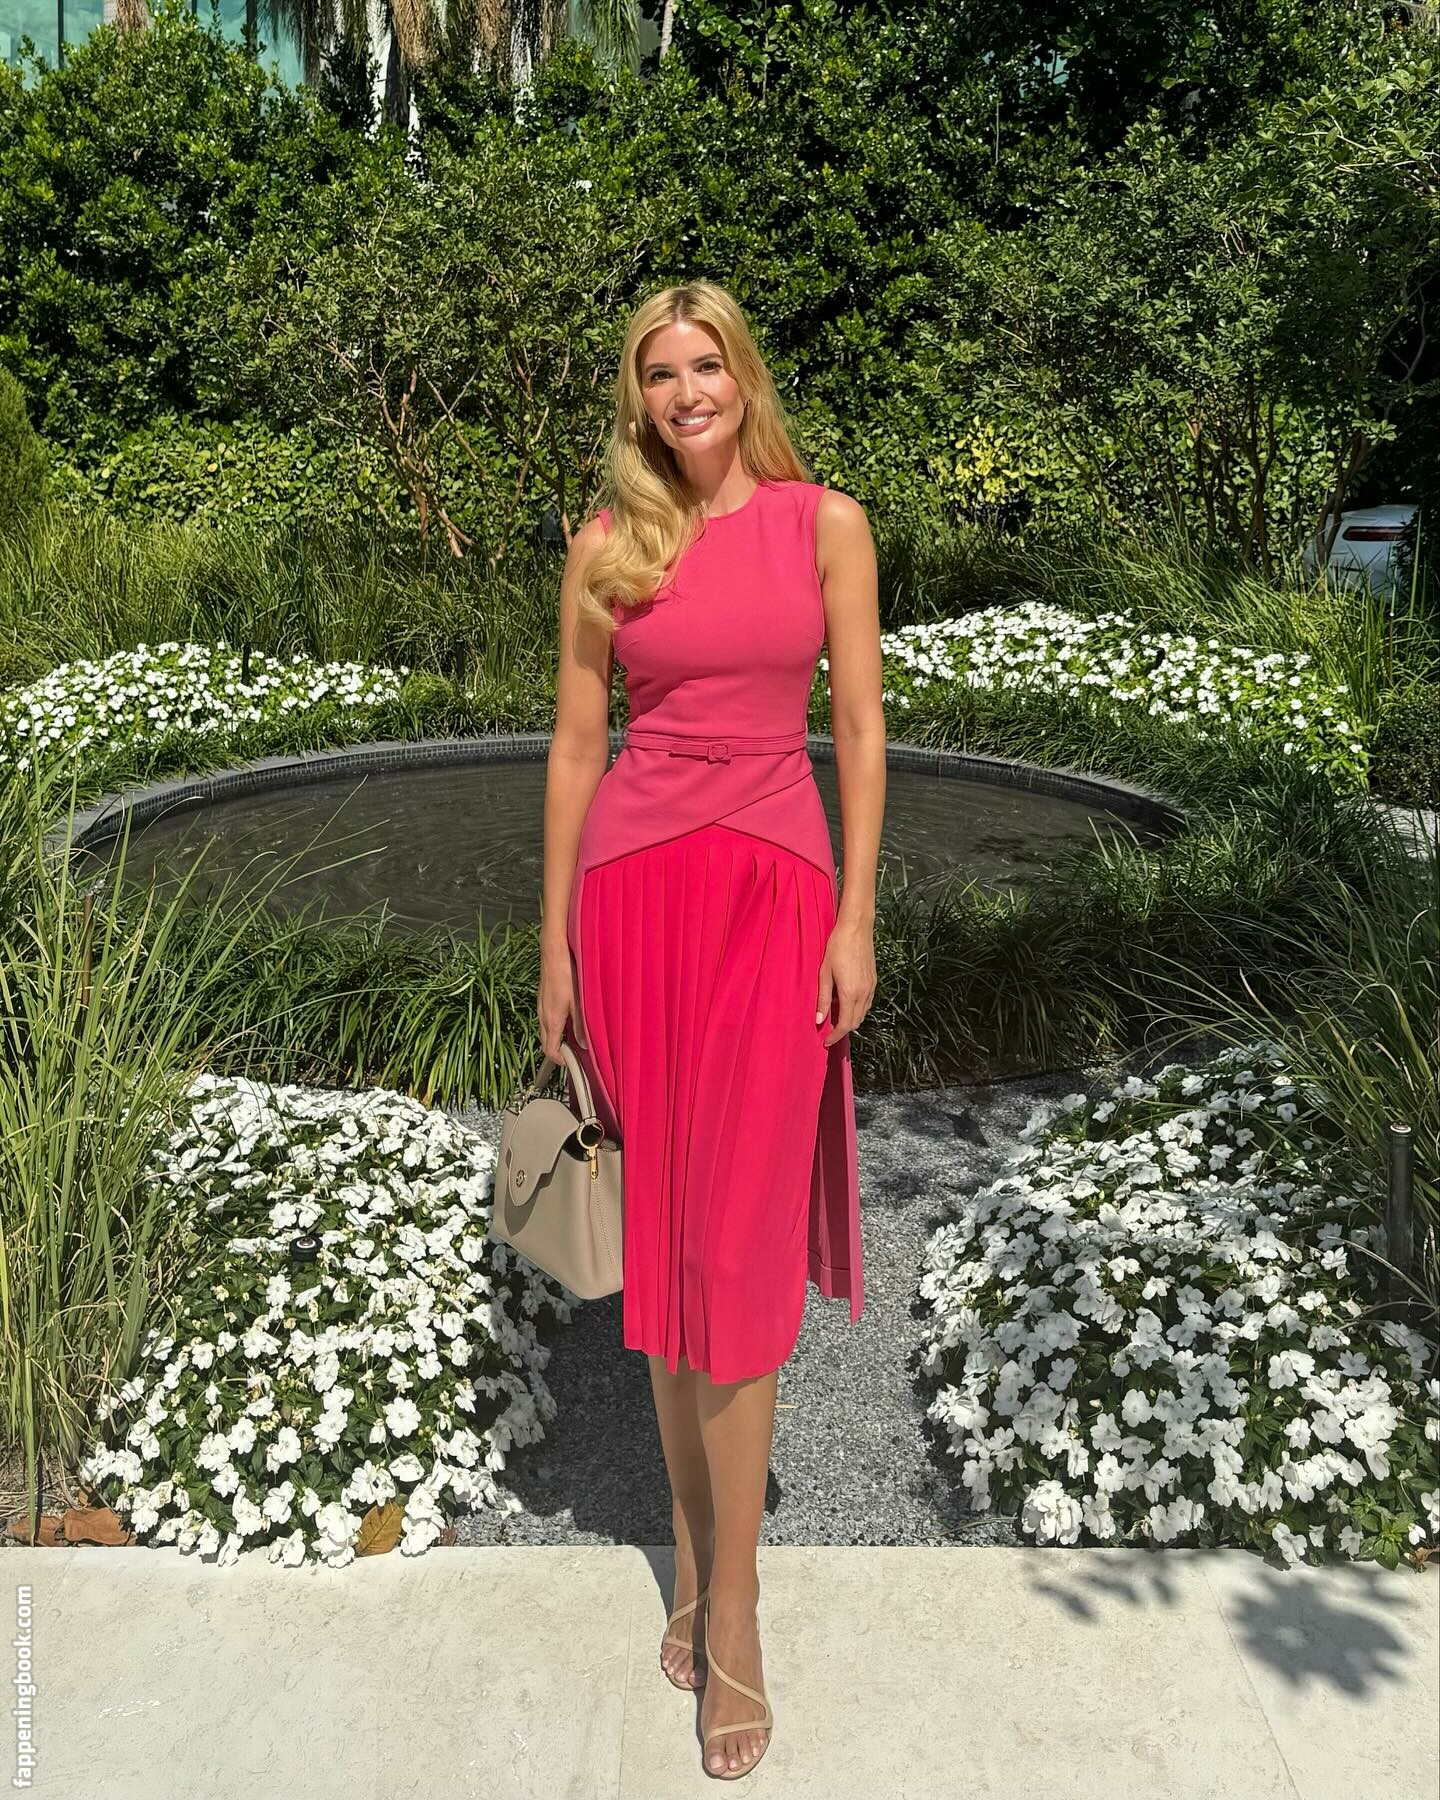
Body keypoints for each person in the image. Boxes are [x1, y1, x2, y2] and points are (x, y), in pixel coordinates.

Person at [537, 279, 884, 1780]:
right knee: (672, 1240)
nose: (686, 392)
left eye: (706, 366)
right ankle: (692, 1547)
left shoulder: (825, 526)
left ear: (743, 377)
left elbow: (859, 728)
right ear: (639, 397)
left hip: (773, 900)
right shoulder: (607, 544)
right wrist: (550, 943)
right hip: (633, 900)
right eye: (659, 373)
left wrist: (856, 918)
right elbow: (575, 745)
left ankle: (732, 1604)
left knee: (737, 1256)